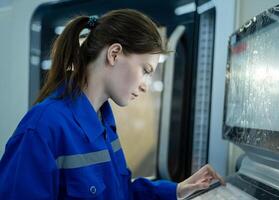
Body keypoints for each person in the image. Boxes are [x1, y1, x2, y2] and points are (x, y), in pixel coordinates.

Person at [0, 9, 224, 200]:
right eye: (145, 71)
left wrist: (178, 189)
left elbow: (121, 192)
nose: (145, 86)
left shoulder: (105, 122)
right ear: (114, 54)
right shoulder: (42, 128)